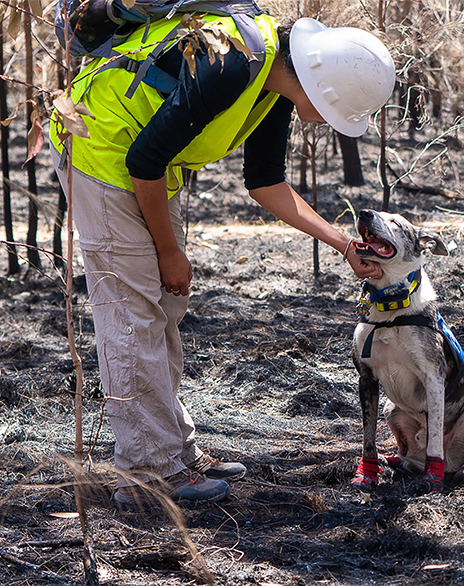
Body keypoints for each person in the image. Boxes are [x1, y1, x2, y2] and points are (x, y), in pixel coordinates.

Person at [50, 8, 395, 506]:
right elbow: (141, 161)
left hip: (140, 161)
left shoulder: (274, 77)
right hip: (98, 148)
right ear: (323, 90)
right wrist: (170, 253)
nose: (333, 124)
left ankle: (175, 453)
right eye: (340, 113)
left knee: (160, 310)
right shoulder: (232, 65)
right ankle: (149, 472)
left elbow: (266, 183)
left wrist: (343, 244)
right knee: (131, 312)